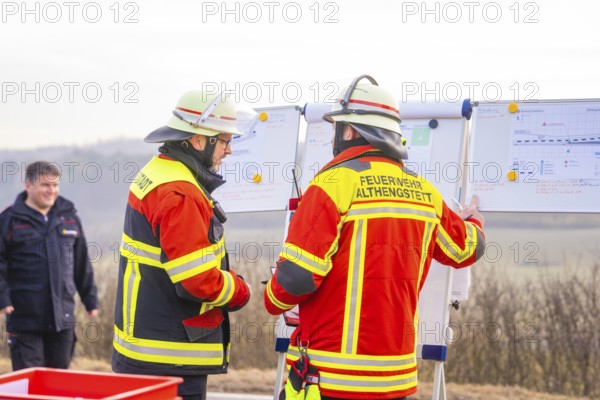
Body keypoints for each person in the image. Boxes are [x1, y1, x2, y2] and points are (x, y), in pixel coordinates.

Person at [264, 75, 486, 400]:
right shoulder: (425, 193)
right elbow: (468, 247)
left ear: (349, 131)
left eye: (336, 128)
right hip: (395, 380)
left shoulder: (331, 184)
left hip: (330, 378)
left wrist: (272, 297)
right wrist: (475, 219)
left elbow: (296, 278)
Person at [112, 90, 254, 400]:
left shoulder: (158, 171)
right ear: (199, 140)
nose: (229, 151)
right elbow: (198, 280)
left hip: (145, 348)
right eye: (225, 141)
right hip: (170, 357)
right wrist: (240, 290)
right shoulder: (182, 194)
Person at [0, 161, 98, 370]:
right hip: (25, 318)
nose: (51, 191)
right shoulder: (8, 220)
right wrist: (2, 297)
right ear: (28, 185)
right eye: (45, 185)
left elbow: (81, 262)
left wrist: (90, 299)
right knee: (31, 382)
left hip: (62, 318)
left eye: (55, 185)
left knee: (58, 383)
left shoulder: (70, 218)